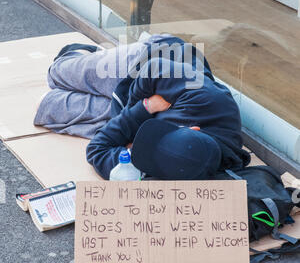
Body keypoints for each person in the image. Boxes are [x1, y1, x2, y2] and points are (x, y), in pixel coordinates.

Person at [34, 33, 250, 180]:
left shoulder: (174, 167)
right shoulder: (211, 100)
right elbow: (154, 69)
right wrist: (136, 108)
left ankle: (114, 105)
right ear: (192, 129)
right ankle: (84, 54)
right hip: (150, 63)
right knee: (57, 73)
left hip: (145, 111)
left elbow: (98, 150)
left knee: (45, 106)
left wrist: (139, 113)